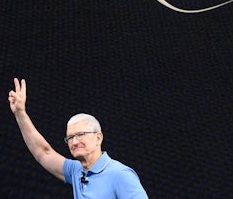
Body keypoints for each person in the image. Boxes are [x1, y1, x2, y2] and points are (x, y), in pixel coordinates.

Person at [8, 77, 149, 198]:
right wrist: (20, 113)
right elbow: (43, 152)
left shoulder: (121, 175)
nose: (75, 142)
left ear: (98, 138)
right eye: (70, 138)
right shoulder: (76, 170)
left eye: (81, 135)